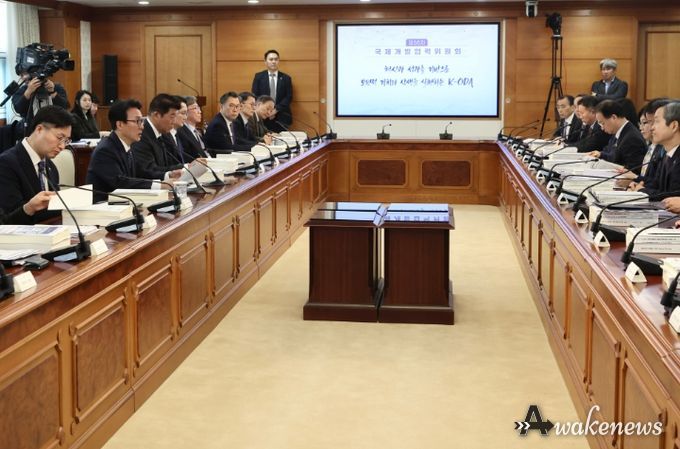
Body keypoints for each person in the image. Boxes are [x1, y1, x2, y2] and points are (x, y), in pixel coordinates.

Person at [86, 99, 175, 202]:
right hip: (104, 207)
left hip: (125, 203)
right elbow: (120, 183)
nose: (142, 126)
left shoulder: (126, 146)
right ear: (120, 124)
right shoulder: (105, 150)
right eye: (137, 121)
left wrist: (168, 175)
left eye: (142, 121)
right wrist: (160, 186)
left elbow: (141, 173)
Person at [0, 105, 71, 223]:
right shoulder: (6, 164)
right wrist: (29, 208)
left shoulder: (50, 166)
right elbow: (6, 221)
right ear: (39, 129)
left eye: (66, 140)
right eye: (59, 138)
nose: (62, 146)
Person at [131, 94, 184, 180]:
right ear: (156, 115)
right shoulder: (141, 134)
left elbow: (167, 164)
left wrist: (186, 167)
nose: (174, 121)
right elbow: (147, 170)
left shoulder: (164, 132)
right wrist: (170, 174)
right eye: (172, 116)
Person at [588, 99, 647, 173]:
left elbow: (632, 171)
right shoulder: (618, 131)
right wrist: (600, 154)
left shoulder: (632, 138)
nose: (602, 128)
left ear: (613, 117)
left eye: (602, 123)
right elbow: (611, 153)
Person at [638, 102, 680, 201]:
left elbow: (673, 197)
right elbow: (656, 185)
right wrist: (637, 186)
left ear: (674, 126)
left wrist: (642, 191)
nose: (652, 128)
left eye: (656, 121)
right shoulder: (667, 154)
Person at [627, 98, 670, 191]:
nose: (652, 127)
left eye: (656, 122)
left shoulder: (665, 151)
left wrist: (638, 183)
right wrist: (636, 182)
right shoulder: (654, 147)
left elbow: (667, 191)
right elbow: (655, 183)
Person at [251, 50, 293, 132]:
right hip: (263, 116)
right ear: (265, 61)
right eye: (271, 59)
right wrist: (267, 110)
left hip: (281, 116)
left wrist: (275, 110)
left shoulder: (286, 78)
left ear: (278, 61)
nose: (273, 62)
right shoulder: (259, 77)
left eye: (276, 59)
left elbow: (289, 97)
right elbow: (255, 95)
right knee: (264, 138)